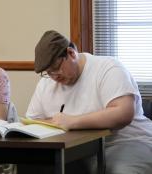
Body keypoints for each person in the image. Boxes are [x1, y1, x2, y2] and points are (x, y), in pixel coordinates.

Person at [26, 30, 152, 174]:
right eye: (48, 72)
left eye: (56, 69)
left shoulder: (108, 68)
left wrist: (72, 121)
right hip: (76, 150)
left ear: (71, 53)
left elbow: (123, 113)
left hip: (127, 142)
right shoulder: (46, 84)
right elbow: (33, 122)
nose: (54, 76)